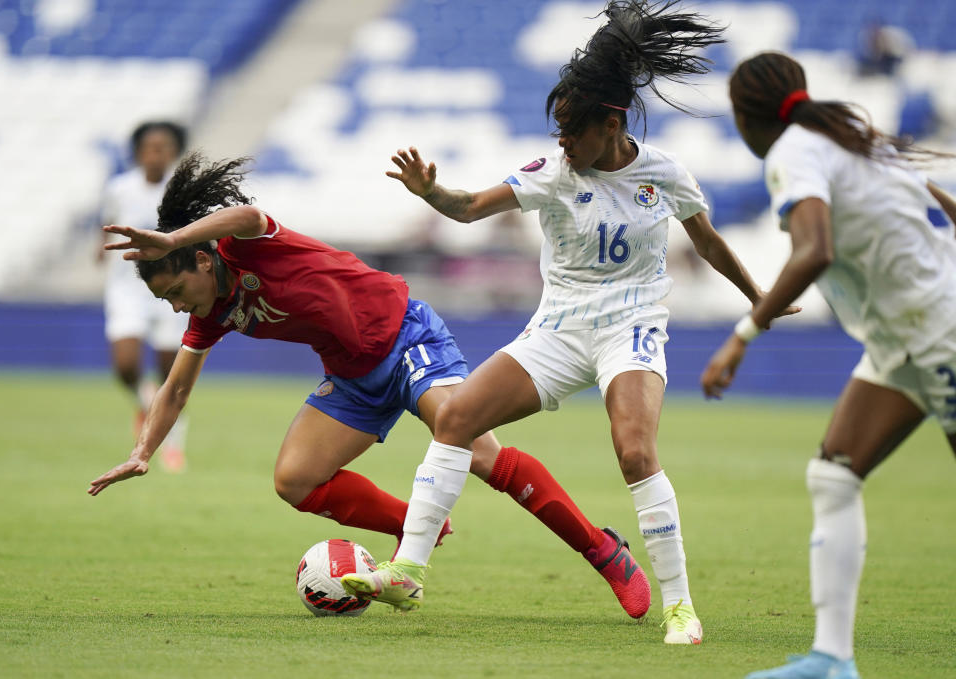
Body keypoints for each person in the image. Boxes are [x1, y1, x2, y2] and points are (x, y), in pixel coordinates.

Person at [342, 0, 794, 644]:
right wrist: (431, 193)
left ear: (610, 124)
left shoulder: (663, 173)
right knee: (456, 418)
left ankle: (680, 607)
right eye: (556, 132)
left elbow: (709, 242)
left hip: (630, 324)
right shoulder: (554, 173)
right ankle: (409, 569)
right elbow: (469, 207)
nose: (561, 144)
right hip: (558, 328)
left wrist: (758, 296)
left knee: (635, 451)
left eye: (571, 133)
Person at [87, 152, 654, 620]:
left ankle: (605, 552)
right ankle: (421, 529)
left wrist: (171, 238)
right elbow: (177, 388)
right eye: (166, 302)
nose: (177, 305)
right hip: (353, 376)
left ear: (203, 261)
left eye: (175, 289)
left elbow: (248, 213)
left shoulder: (246, 246)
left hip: (407, 338)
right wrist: (142, 453)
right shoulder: (210, 314)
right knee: (295, 479)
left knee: (479, 454)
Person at [700, 51, 956, 679]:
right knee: (834, 474)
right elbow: (942, 204)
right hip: (905, 340)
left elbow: (815, 250)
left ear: (744, 116)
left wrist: (742, 334)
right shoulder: (850, 138)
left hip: (941, 331)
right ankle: (832, 659)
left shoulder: (795, 151)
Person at [99, 121, 190, 472]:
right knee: (125, 366)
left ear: (173, 152)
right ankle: (144, 402)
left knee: (172, 374)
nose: (157, 154)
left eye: (164, 147)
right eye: (150, 147)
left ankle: (173, 444)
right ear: (138, 152)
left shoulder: (179, 192)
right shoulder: (120, 189)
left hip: (170, 289)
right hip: (127, 287)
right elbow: (107, 223)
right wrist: (99, 250)